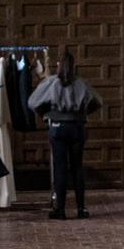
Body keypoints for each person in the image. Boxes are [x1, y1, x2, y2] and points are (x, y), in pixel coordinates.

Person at [27, 50, 103, 219]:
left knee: (60, 169)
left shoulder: (51, 82)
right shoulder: (81, 83)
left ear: (58, 65)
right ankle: (81, 208)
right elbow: (98, 102)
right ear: (74, 65)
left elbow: (32, 102)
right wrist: (83, 113)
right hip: (77, 127)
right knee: (77, 168)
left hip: (58, 127)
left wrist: (46, 112)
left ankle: (59, 209)